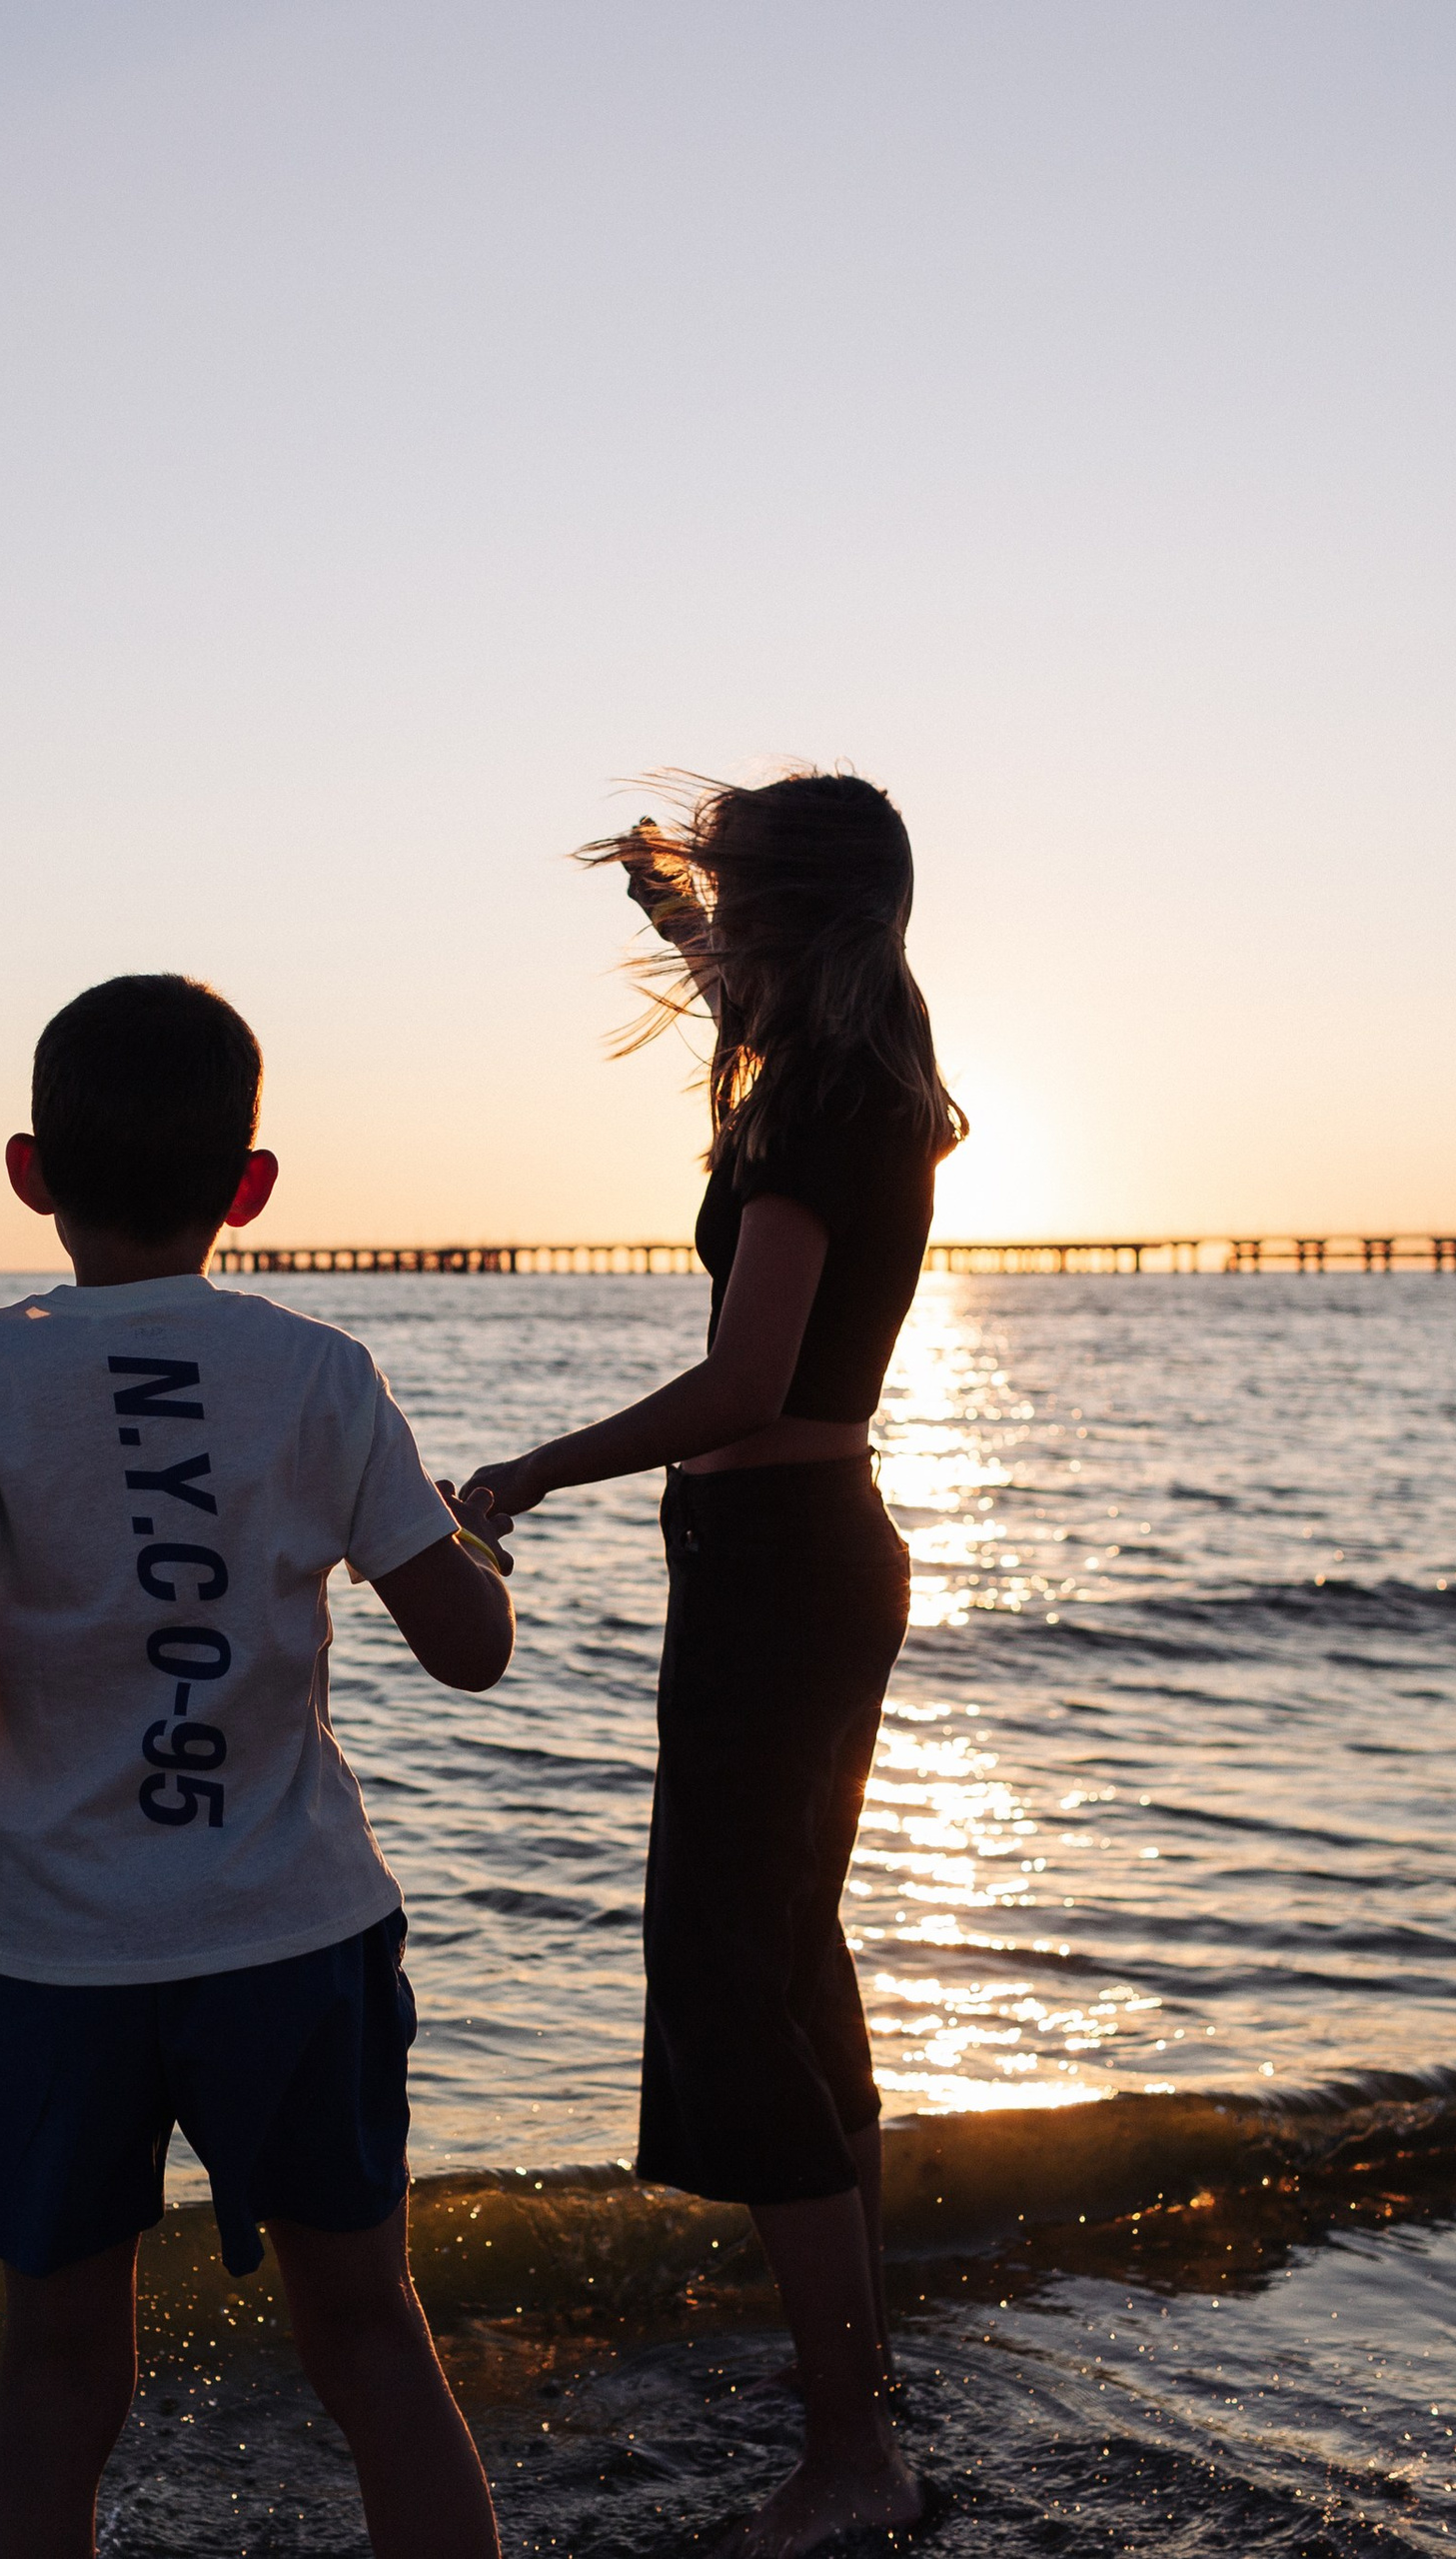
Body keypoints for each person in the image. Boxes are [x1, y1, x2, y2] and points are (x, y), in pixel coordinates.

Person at [0, 972, 512, 2559]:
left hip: (56, 1961)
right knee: (369, 2338)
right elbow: (468, 1646)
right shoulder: (320, 1370)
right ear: (251, 1191)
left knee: (58, 2380)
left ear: (29, 1172)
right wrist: (467, 1542)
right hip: (293, 1941)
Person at [462, 772, 964, 2558]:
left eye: (738, 896)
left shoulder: (814, 1108)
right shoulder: (870, 1059)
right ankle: (863, 2407)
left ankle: (851, 2452)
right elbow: (734, 956)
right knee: (793, 1972)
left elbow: (747, 1388)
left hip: (778, 1562)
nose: (713, 930)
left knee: (745, 1982)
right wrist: (664, 884)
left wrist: (530, 1469)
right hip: (806, 1559)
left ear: (796, 911)